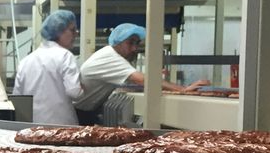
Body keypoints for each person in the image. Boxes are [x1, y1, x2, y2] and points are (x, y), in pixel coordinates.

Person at [75, 23, 209, 124]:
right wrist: (183, 89)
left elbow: (136, 80)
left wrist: (154, 79)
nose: (135, 48)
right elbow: (142, 80)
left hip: (86, 111)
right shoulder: (110, 57)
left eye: (137, 43)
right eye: (130, 43)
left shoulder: (112, 56)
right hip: (78, 112)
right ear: (118, 42)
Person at [13, 10, 82, 125]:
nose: (75, 34)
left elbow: (18, 98)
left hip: (32, 127)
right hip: (61, 126)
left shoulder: (25, 61)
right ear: (59, 31)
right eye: (72, 30)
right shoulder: (65, 56)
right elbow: (75, 93)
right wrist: (84, 87)